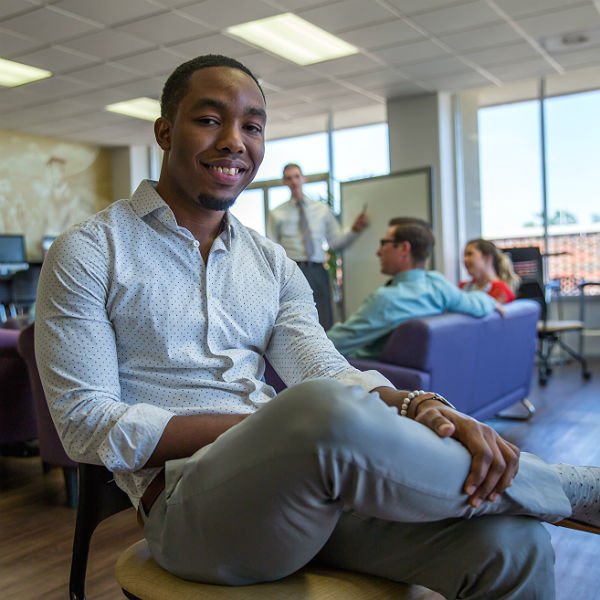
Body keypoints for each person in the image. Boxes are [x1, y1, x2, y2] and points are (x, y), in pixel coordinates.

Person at [35, 54, 600, 600]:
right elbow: (85, 427)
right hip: (190, 511)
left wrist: (416, 404)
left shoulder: (271, 263)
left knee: (513, 545)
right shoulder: (89, 252)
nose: (235, 140)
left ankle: (543, 494)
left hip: (309, 491)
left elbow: (325, 368)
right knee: (315, 411)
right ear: (164, 132)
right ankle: (568, 489)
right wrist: (265, 425)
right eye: (209, 120)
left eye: (252, 127)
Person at [327, 218, 500, 359]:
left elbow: (325, 346)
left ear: (404, 248)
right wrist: (490, 300)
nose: (378, 252)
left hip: (371, 378)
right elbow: (476, 303)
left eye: (383, 243)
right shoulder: (438, 284)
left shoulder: (386, 300)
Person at [267, 163, 368, 330]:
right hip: (292, 271)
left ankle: (325, 354)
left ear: (304, 179)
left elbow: (335, 241)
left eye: (297, 176)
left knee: (324, 316)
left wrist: (354, 230)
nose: (293, 181)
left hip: (318, 270)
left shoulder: (321, 210)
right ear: (284, 183)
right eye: (289, 178)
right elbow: (272, 248)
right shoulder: (276, 213)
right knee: (295, 318)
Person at [460, 238, 519, 304]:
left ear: (487, 257)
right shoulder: (462, 286)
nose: (465, 259)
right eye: (464, 255)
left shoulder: (501, 291)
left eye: (470, 254)